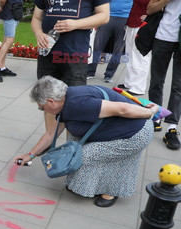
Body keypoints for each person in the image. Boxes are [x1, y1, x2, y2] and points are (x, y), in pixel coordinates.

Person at [15, 76, 156, 207]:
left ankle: (111, 190)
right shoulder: (65, 100)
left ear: (51, 101)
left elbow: (123, 109)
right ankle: (90, 185)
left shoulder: (79, 103)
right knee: (74, 146)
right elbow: (52, 133)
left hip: (135, 135)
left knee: (83, 156)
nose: (41, 109)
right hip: (117, 128)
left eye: (41, 107)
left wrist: (150, 113)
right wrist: (30, 155)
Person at [31, 0, 110, 87]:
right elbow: (36, 18)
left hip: (75, 54)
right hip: (47, 52)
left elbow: (104, 16)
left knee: (74, 96)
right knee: (46, 95)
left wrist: (76, 24)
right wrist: (39, 33)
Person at [147, 0, 181, 150]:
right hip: (163, 37)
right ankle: (156, 117)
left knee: (178, 86)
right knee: (156, 81)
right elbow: (150, 9)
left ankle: (171, 128)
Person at [87, 0, 134, 83]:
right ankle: (90, 72)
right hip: (107, 16)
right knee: (97, 46)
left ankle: (109, 75)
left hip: (124, 18)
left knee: (118, 50)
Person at [118, 0, 151, 97]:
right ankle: (130, 82)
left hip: (142, 25)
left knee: (140, 57)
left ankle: (139, 87)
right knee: (130, 55)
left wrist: (149, 15)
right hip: (132, 22)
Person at [0, 0, 23, 83]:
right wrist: (0, 8)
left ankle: (2, 67)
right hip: (10, 13)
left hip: (15, 12)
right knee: (9, 40)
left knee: (6, 40)